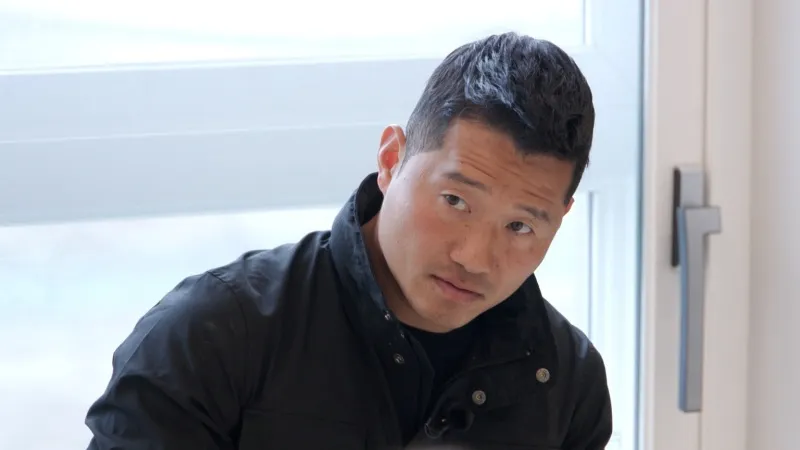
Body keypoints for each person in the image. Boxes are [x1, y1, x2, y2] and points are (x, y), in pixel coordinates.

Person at [85, 32, 612, 449]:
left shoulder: (567, 383)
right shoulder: (209, 337)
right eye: (455, 201)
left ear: (559, 220)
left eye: (520, 227)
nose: (473, 257)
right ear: (391, 160)